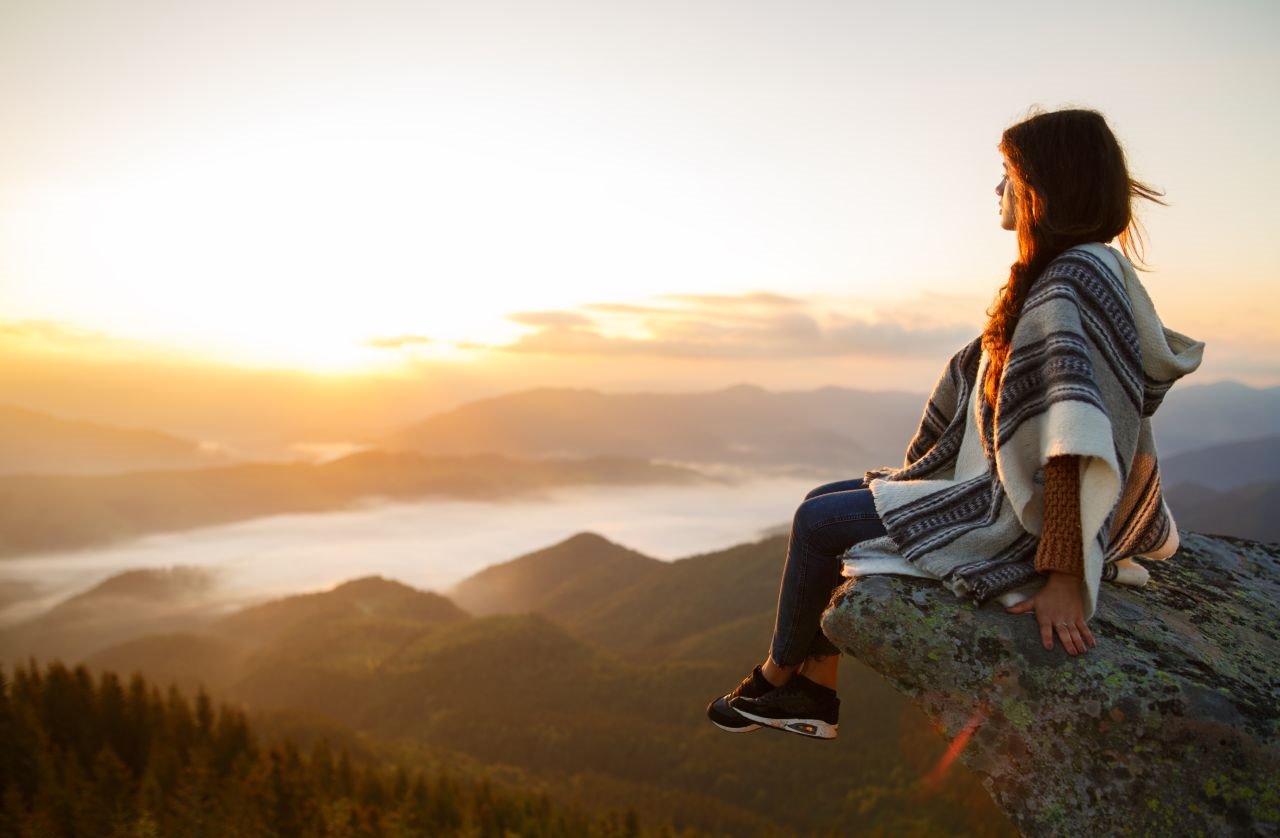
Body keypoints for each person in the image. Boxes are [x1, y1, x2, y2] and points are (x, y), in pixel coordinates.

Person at [706, 108, 1203, 740]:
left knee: (817, 520)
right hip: (1021, 499)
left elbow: (1070, 437)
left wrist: (1062, 575)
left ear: (1044, 187)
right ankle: (812, 688)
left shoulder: (1069, 283)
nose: (997, 190)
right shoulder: (1081, 270)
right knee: (822, 501)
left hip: (1020, 517)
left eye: (1007, 175)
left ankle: (779, 678)